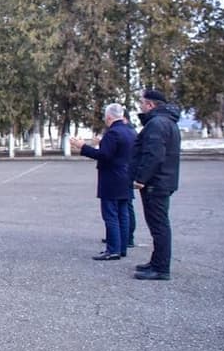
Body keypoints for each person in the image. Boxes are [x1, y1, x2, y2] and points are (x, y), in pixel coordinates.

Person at [70, 103, 135, 261]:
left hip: (112, 178)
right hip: (126, 176)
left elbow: (104, 155)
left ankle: (113, 249)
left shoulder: (113, 133)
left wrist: (82, 147)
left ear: (109, 117)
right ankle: (122, 247)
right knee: (123, 214)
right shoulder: (130, 131)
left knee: (111, 215)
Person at [131, 89, 182, 281]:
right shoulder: (166, 122)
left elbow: (154, 155)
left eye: (142, 103)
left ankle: (161, 268)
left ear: (151, 105)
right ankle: (156, 261)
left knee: (159, 225)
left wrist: (141, 178)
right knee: (157, 225)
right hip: (162, 181)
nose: (141, 106)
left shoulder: (157, 124)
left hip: (156, 183)